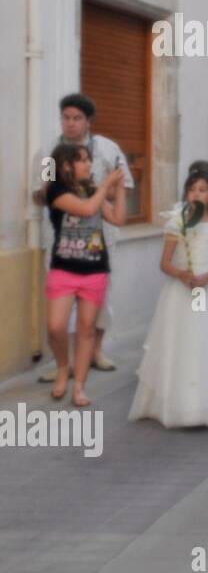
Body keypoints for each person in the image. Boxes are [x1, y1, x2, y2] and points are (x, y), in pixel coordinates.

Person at [129, 170, 208, 427]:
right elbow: (164, 262)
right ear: (186, 193)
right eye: (192, 189)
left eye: (203, 190)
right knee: (185, 342)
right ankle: (183, 406)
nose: (197, 194)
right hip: (182, 291)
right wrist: (181, 274)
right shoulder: (178, 222)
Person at [31, 93, 135, 375]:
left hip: (101, 236)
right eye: (66, 117)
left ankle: (95, 352)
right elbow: (40, 192)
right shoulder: (49, 152)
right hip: (60, 238)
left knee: (99, 298)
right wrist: (52, 194)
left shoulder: (107, 149)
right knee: (59, 304)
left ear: (89, 121)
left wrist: (94, 190)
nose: (70, 124)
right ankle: (60, 363)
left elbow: (122, 187)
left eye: (77, 118)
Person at [43, 143, 126, 407]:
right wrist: (105, 186)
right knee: (56, 327)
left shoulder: (92, 189)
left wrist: (120, 188)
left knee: (86, 330)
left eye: (89, 160)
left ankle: (79, 386)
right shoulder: (55, 190)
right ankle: (62, 368)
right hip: (63, 270)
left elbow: (117, 218)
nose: (89, 165)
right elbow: (87, 209)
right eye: (83, 161)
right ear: (67, 165)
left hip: (94, 270)